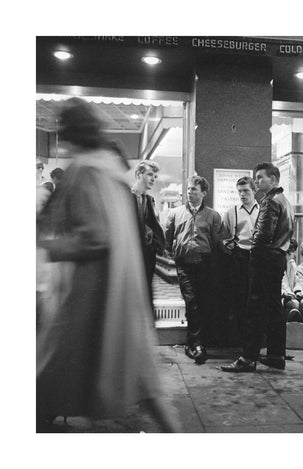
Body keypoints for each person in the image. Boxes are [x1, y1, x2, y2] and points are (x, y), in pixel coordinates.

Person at [36, 97, 180, 432]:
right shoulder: (110, 171)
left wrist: (49, 244)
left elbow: (96, 236)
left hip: (90, 295)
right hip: (120, 294)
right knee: (145, 382)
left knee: (56, 372)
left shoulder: (85, 171)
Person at [221, 162, 294, 372]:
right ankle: (276, 355)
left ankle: (247, 358)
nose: (257, 180)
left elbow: (262, 235)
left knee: (255, 310)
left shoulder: (270, 201)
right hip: (278, 259)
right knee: (274, 309)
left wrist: (254, 254)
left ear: (273, 179)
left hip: (264, 261)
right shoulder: (285, 201)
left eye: (260, 177)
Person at [164, 175, 223, 365]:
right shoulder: (175, 213)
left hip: (205, 264)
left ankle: (196, 342)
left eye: (194, 190)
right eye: (188, 189)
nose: (190, 192)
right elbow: (168, 236)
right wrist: (172, 253)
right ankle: (196, 344)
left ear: (204, 193)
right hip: (184, 264)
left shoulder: (213, 216)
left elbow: (216, 241)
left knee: (203, 302)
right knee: (191, 302)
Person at [222, 176, 259, 342]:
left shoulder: (262, 210)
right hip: (239, 257)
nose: (243, 195)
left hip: (258, 257)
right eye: (240, 192)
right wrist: (228, 245)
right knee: (240, 298)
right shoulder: (232, 212)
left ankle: (255, 339)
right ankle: (242, 339)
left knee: (256, 298)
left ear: (254, 191)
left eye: (246, 191)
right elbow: (224, 236)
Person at [131, 160, 165, 304]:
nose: (153, 179)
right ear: (139, 174)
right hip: (130, 256)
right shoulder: (126, 197)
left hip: (146, 256)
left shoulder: (149, 200)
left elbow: (153, 224)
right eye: (150, 174)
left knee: (144, 295)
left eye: (155, 176)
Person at [281, 238, 303, 322]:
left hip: (292, 295)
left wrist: (298, 291)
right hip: (282, 296)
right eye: (291, 252)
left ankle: (299, 326)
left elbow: (296, 281)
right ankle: (286, 328)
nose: (294, 255)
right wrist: (285, 293)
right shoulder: (277, 263)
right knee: (294, 304)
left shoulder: (292, 263)